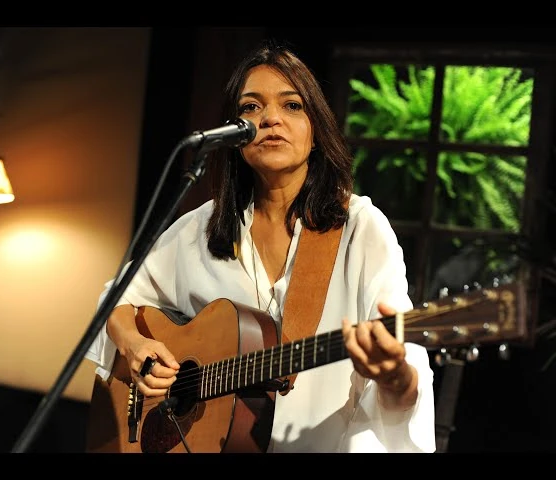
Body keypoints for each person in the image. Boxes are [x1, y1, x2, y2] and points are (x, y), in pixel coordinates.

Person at [86, 39, 436, 453]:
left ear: (316, 131)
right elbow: (116, 298)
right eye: (251, 107)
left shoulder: (360, 228)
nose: (270, 118)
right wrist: (136, 345)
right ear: (234, 135)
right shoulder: (202, 227)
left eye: (292, 105)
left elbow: (406, 371)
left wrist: (396, 375)